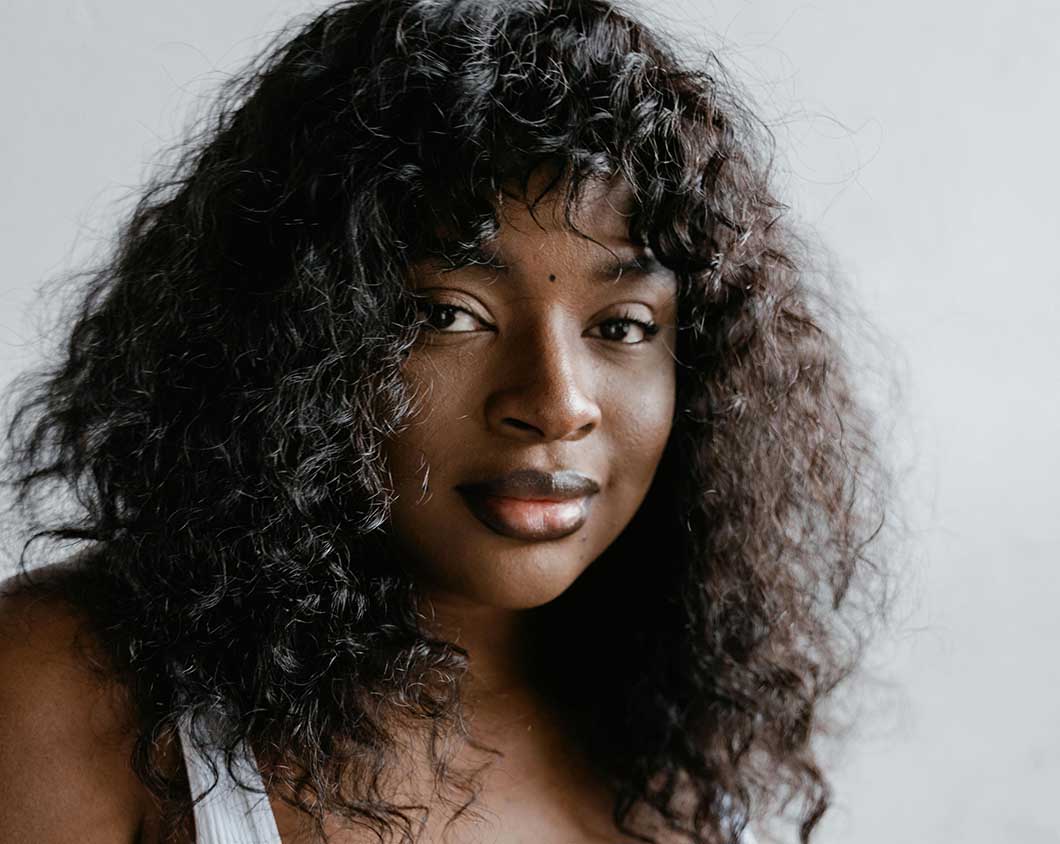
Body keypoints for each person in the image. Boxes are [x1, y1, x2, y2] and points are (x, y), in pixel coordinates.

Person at [0, 1, 895, 842]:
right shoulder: (68, 695)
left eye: (621, 326)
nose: (555, 402)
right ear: (286, 339)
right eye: (446, 314)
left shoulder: (687, 729)